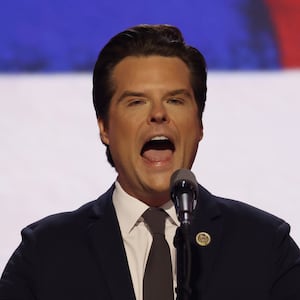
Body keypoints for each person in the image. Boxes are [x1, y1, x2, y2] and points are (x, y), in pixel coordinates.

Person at [0, 24, 300, 300]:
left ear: (199, 125)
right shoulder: (45, 254)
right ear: (104, 127)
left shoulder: (264, 247)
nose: (158, 114)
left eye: (175, 100)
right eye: (136, 101)